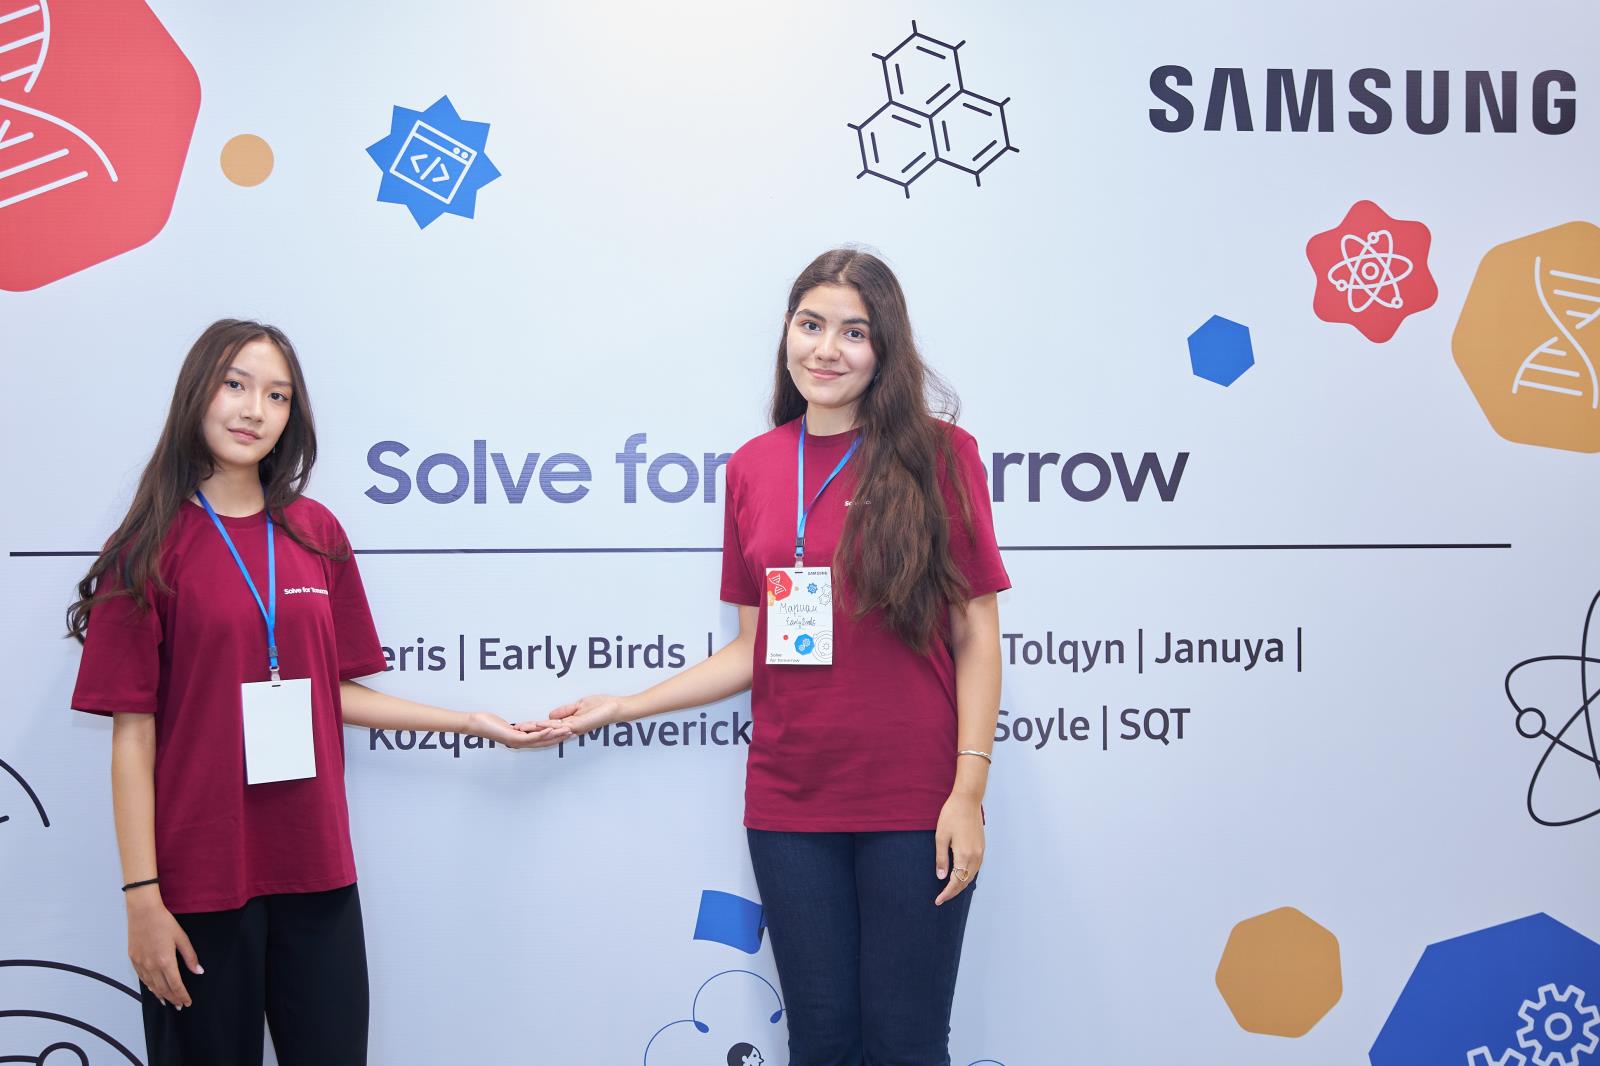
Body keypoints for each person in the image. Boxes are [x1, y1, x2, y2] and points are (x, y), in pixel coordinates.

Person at [523, 249, 1008, 1065]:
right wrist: (624, 704)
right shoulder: (753, 467)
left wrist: (968, 792)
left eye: (854, 332)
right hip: (790, 805)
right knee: (821, 1043)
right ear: (787, 331)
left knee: (907, 1046)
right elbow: (756, 649)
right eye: (811, 325)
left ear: (885, 348)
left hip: (916, 802)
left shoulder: (939, 455)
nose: (827, 349)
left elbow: (977, 632)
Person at [66, 319, 552, 1065]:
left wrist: (468, 722)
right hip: (198, 881)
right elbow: (133, 737)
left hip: (316, 867)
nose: (254, 409)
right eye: (235, 384)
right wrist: (142, 897)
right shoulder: (146, 548)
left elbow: (331, 691)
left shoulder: (315, 531)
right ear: (196, 393)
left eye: (278, 395)